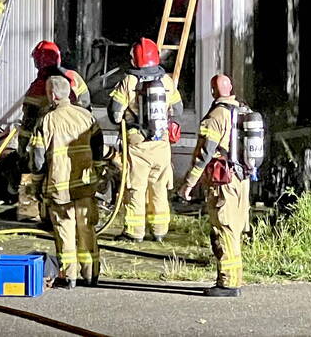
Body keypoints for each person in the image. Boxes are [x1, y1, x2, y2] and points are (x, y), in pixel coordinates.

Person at [178, 74, 251, 297]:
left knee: (223, 230)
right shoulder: (242, 110)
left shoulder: (216, 116)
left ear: (212, 91)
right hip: (241, 180)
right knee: (234, 230)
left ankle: (228, 284)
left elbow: (204, 154)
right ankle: (235, 280)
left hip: (223, 183)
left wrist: (188, 184)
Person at [30, 75, 103, 289]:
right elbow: (98, 148)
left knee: (64, 231)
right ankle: (91, 275)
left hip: (59, 189)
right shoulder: (87, 117)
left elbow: (37, 159)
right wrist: (97, 172)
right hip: (85, 186)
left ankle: (69, 276)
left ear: (52, 95)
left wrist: (36, 183)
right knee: (87, 229)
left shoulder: (46, 120)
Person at [107, 37, 183, 242]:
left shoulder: (129, 82)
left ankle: (134, 232)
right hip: (162, 144)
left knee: (136, 188)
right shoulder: (166, 81)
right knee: (158, 187)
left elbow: (114, 113)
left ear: (134, 60)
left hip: (138, 143)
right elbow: (178, 110)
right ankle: (159, 231)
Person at [16, 41, 91, 222]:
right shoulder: (74, 77)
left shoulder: (39, 87)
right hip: (78, 139)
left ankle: (34, 213)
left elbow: (28, 124)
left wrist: (22, 150)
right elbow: (87, 104)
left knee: (41, 175)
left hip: (50, 140)